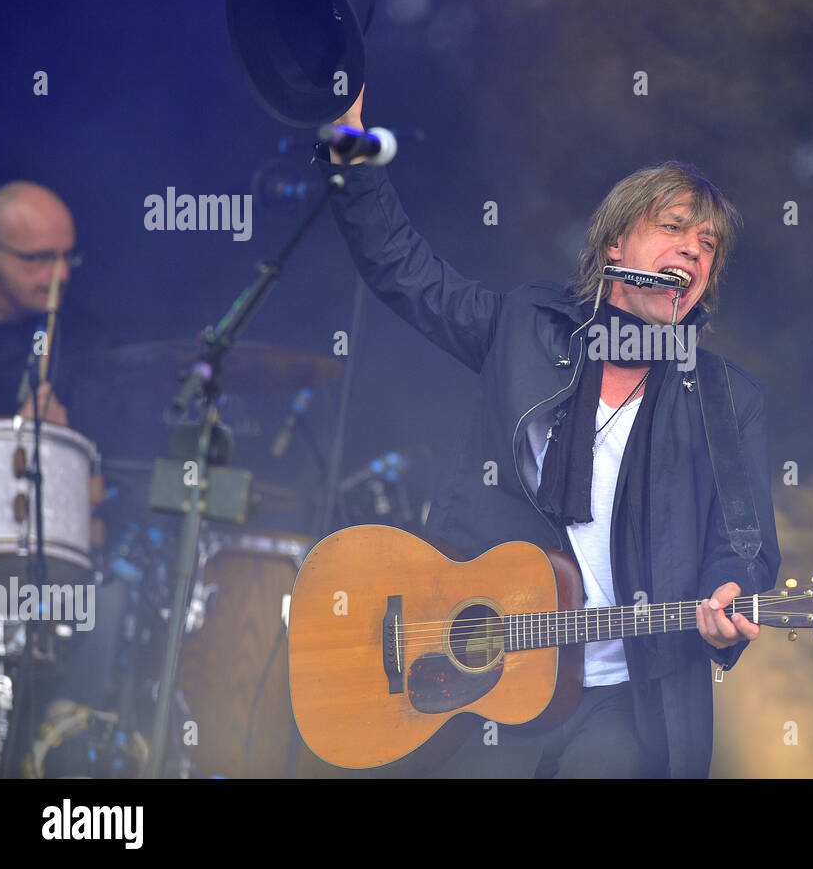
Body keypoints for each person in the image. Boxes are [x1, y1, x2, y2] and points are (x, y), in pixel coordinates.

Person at [317, 87, 780, 778]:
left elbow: (742, 539)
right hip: (484, 676)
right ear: (617, 242)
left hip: (629, 700)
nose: (692, 250)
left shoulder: (725, 398)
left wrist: (729, 592)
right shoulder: (525, 329)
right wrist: (352, 153)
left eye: (707, 244)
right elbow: (405, 273)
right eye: (675, 228)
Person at [0, 181, 79, 424]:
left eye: (68, 256)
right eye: (40, 258)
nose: (61, 275)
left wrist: (61, 437)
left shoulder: (88, 344)